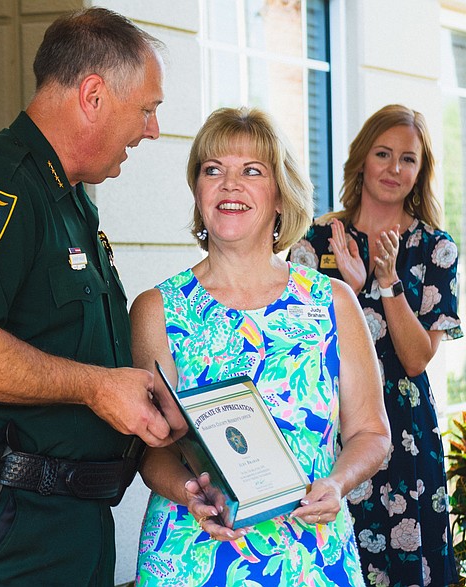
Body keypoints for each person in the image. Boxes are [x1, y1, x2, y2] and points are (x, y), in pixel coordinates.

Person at [0, 7, 171, 586]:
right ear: (93, 95)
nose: (151, 129)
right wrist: (97, 388)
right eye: (146, 109)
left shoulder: (70, 199)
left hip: (66, 523)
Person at [131, 106, 391, 586]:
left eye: (252, 171)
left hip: (310, 560)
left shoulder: (332, 302)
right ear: (198, 192)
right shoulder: (156, 309)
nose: (230, 184)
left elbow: (372, 433)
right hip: (194, 557)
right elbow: (151, 449)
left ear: (279, 196)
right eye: (214, 170)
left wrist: (336, 483)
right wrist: (189, 493)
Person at [289, 104, 463, 586]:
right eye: (383, 153)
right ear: (362, 159)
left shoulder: (436, 248)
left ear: (420, 169)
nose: (394, 168)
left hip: (407, 436)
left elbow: (414, 358)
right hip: (333, 431)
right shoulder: (317, 240)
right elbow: (297, 347)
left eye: (408, 159)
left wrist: (386, 285)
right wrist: (346, 291)